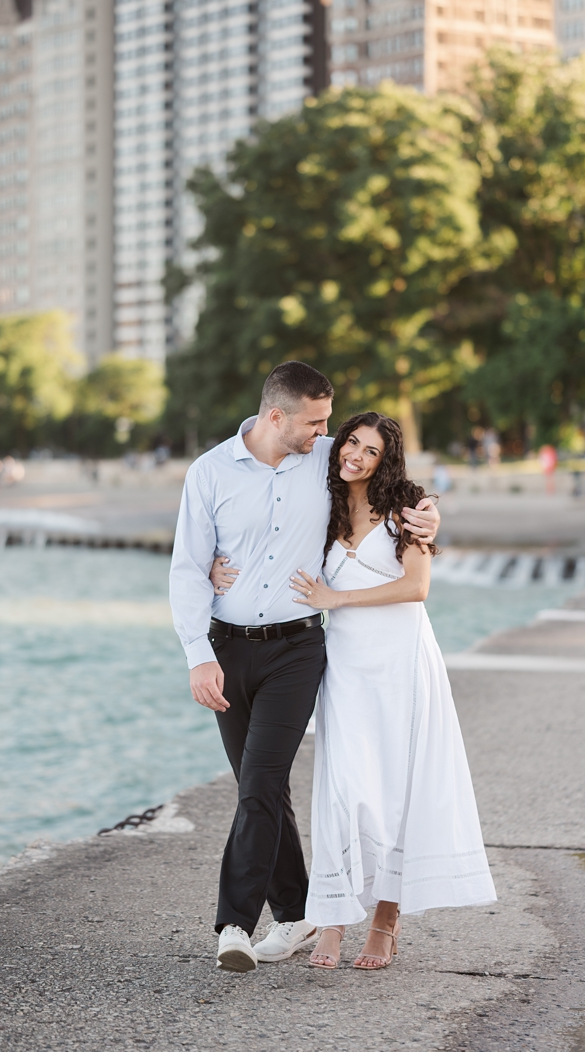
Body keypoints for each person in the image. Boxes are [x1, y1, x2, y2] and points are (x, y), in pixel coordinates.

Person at [169, 362, 440, 972]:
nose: (328, 435)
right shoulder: (209, 472)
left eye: (329, 424)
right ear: (276, 417)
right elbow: (188, 567)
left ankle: (234, 926)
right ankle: (296, 912)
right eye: (317, 423)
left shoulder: (325, 461)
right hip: (228, 648)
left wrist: (428, 519)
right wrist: (198, 656)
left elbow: (394, 488)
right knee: (257, 786)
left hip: (298, 650)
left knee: (262, 782)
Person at [285, 412, 495, 968]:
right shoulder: (324, 502)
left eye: (370, 450)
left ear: (387, 460)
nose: (355, 455)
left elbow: (416, 586)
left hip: (401, 665)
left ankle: (385, 919)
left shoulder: (408, 507)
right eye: (350, 442)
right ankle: (331, 919)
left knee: (398, 791)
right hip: (347, 670)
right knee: (341, 789)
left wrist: (338, 599)